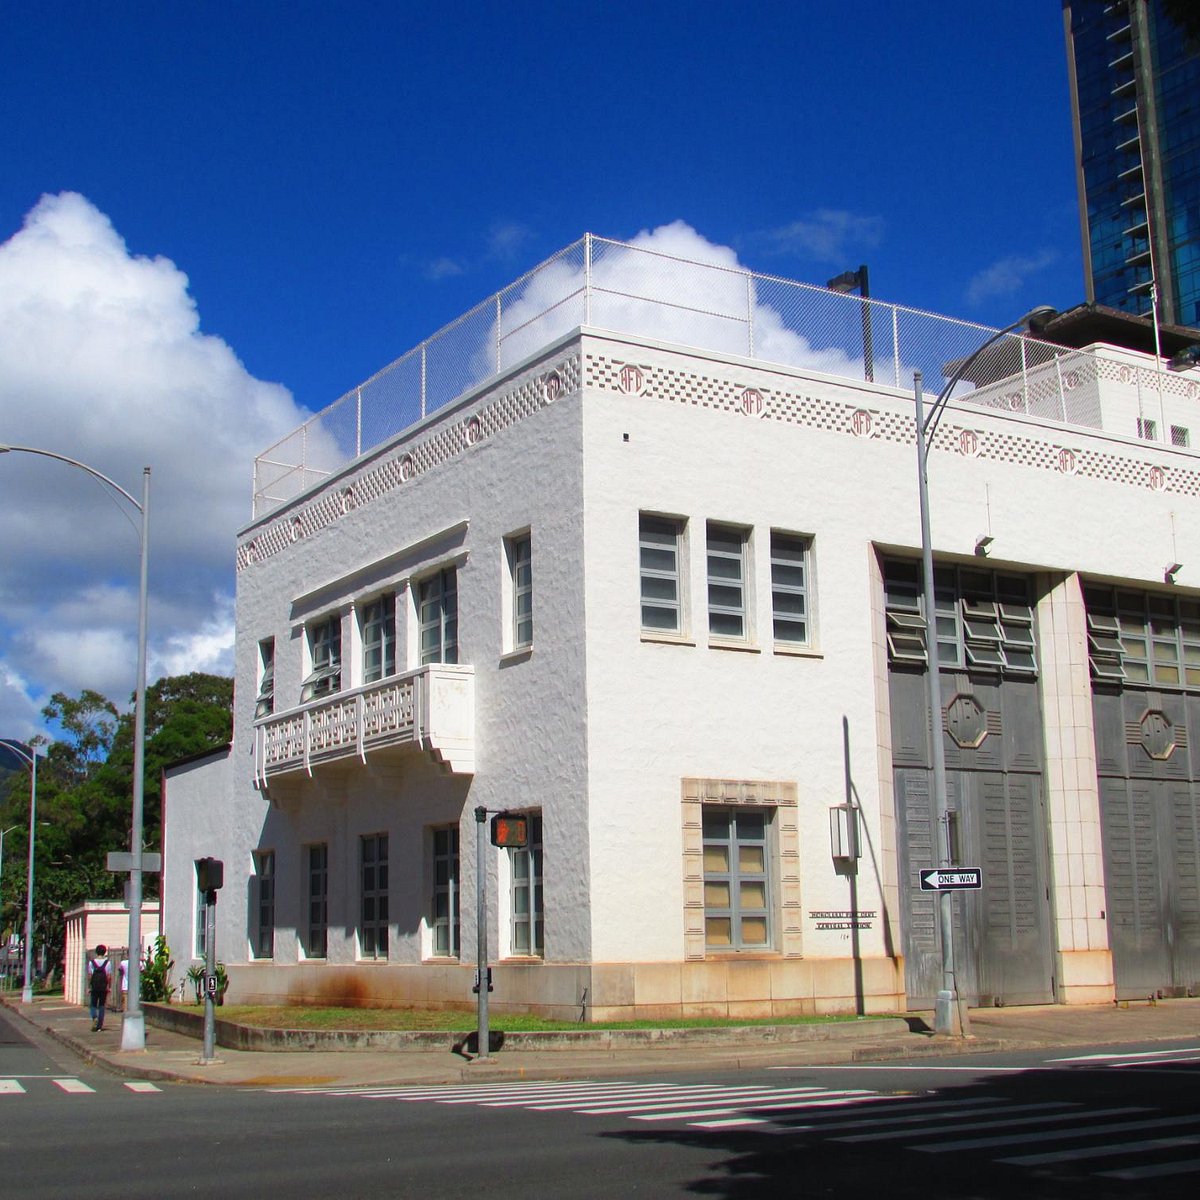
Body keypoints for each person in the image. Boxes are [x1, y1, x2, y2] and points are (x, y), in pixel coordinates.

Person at [87, 944, 110, 1032]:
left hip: (94, 987)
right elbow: (108, 976)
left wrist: (89, 986)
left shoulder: (92, 962)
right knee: (101, 1005)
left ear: (96, 952)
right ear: (105, 952)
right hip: (103, 987)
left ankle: (94, 1018)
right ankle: (100, 1025)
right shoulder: (107, 963)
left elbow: (90, 975)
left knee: (93, 1004)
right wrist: (109, 986)